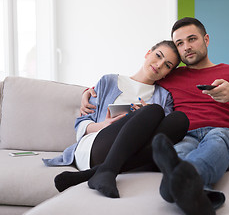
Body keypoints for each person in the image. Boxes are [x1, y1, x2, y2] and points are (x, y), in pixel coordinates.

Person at [81, 18, 229, 214]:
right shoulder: (170, 75)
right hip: (185, 135)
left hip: (226, 133)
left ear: (206, 40)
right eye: (180, 43)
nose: (187, 47)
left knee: (218, 139)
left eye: (192, 39)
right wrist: (89, 91)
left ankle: (184, 182)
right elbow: (141, 82)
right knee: (178, 151)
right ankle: (196, 192)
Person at [43, 40, 189, 199]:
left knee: (180, 120)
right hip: (97, 146)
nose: (159, 64)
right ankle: (105, 170)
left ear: (168, 73)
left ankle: (99, 172)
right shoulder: (109, 81)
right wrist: (103, 125)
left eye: (167, 65)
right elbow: (81, 124)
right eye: (158, 56)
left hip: (134, 154)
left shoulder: (164, 96)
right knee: (154, 110)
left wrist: (147, 118)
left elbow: (164, 137)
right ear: (148, 53)